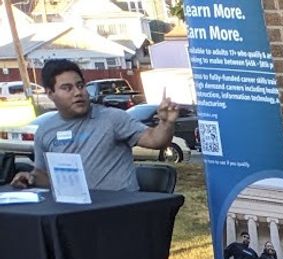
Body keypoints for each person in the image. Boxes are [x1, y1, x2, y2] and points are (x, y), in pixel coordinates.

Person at [9, 59, 180, 193]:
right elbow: (45, 176)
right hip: (72, 212)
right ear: (50, 93)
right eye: (67, 88)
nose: (78, 92)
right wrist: (30, 178)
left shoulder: (112, 118)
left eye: (80, 85)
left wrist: (166, 122)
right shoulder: (45, 131)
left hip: (120, 210)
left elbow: (156, 140)